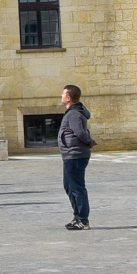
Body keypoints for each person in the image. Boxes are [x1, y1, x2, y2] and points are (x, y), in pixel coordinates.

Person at [56, 85, 93, 230]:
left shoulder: (74, 114)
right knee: (69, 186)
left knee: (76, 187)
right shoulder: (73, 112)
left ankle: (82, 220)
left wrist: (89, 142)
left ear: (68, 97)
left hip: (75, 155)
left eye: (63, 93)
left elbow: (80, 133)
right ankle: (77, 217)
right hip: (71, 154)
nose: (61, 95)